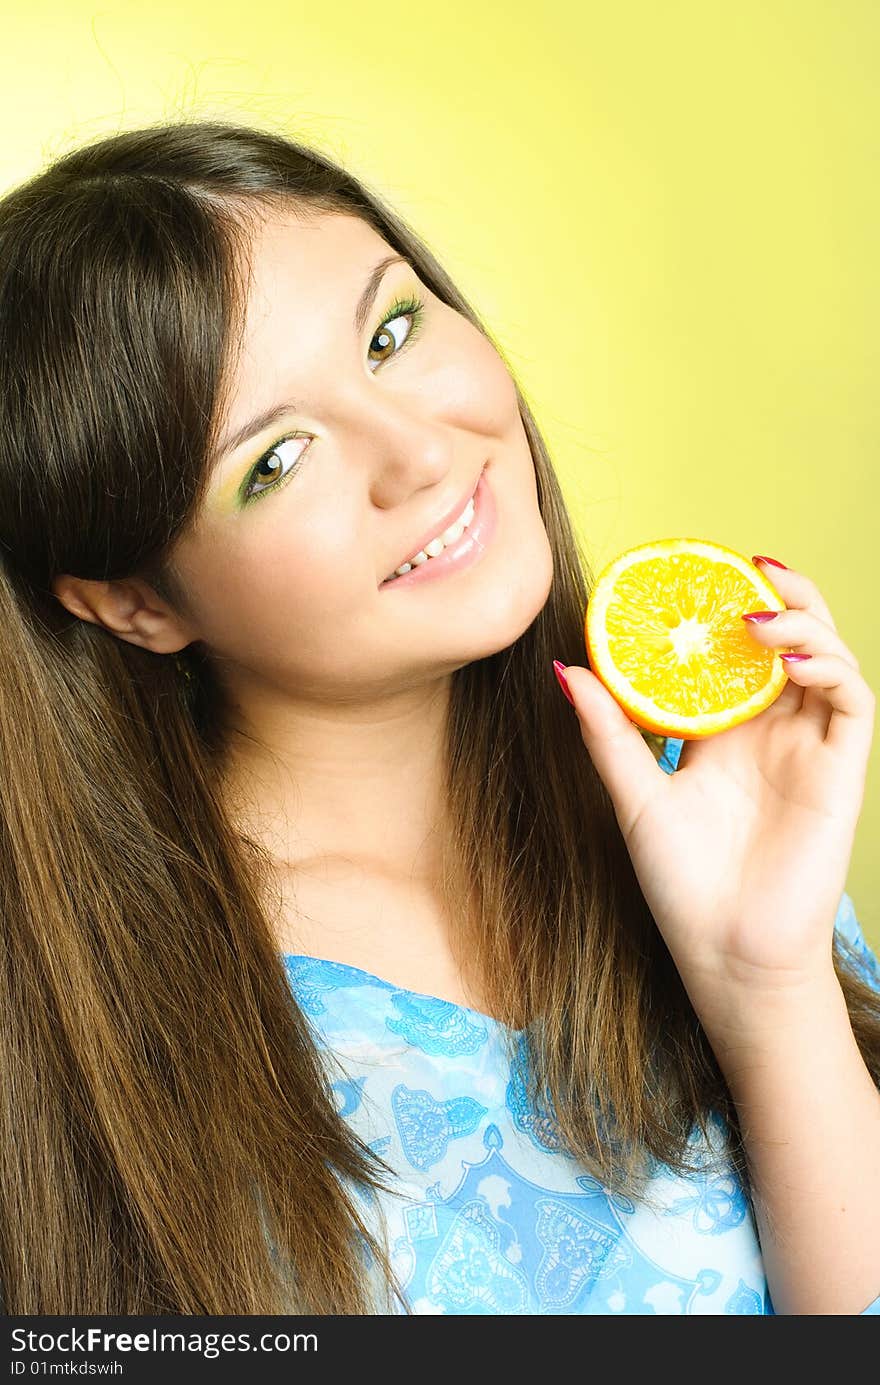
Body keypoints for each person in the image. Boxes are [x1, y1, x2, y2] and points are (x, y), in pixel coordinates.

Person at [0, 120, 878, 1318]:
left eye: (390, 331)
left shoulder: (702, 806)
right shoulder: (97, 1038)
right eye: (276, 458)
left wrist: (765, 985)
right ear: (135, 601)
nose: (418, 450)